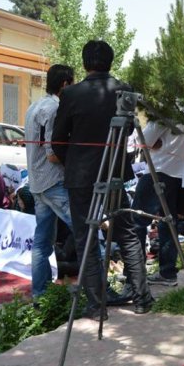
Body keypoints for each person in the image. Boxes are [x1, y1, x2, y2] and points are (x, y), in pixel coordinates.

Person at [52, 40, 153, 319]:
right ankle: (141, 298)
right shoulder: (124, 89)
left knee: (85, 239)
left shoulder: (71, 93)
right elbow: (129, 129)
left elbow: (57, 140)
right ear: (110, 61)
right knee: (127, 233)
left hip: (82, 175)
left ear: (85, 63)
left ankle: (97, 307)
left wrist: (73, 162)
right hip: (114, 171)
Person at [24, 64, 75, 299]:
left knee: (42, 244)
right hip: (53, 182)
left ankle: (40, 296)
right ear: (65, 84)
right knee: (86, 232)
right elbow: (52, 154)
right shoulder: (54, 108)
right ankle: (99, 290)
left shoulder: (34, 106)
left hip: (37, 182)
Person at [133, 120, 184, 287]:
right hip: (177, 173)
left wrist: (156, 143)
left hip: (158, 170)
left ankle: (134, 274)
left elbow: (143, 139)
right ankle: (167, 272)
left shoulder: (164, 111)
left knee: (137, 221)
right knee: (168, 223)